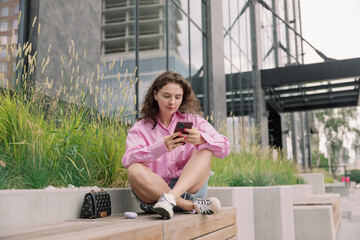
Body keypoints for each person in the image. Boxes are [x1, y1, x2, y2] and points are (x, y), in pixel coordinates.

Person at [121, 71, 230, 219]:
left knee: (206, 150)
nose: (172, 102)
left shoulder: (195, 121)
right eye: (166, 96)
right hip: (154, 198)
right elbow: (128, 159)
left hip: (190, 191)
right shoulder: (140, 127)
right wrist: (160, 147)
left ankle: (171, 198)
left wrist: (202, 139)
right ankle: (188, 206)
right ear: (155, 94)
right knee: (134, 168)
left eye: (177, 97)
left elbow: (225, 148)